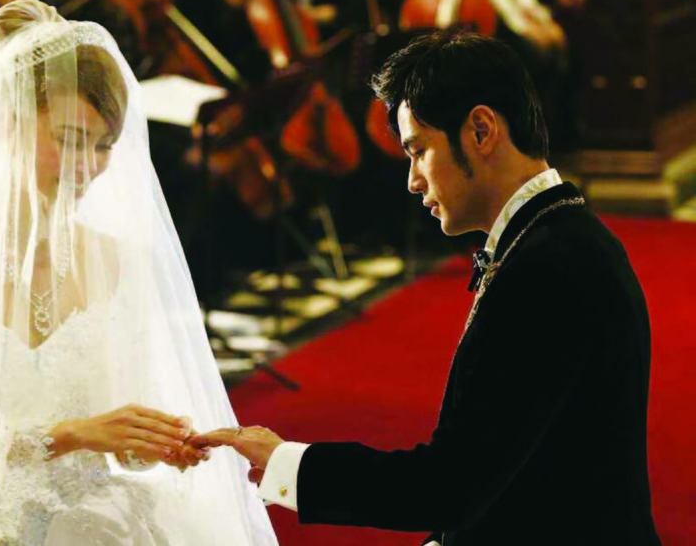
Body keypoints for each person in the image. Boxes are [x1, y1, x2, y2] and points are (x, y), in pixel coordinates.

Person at [0, 0, 277, 546]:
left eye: (104, 145)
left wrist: (152, 442)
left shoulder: (118, 263)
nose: (86, 166)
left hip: (99, 519)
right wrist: (72, 435)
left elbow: (124, 429)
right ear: (7, 122)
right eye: (69, 138)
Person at [194, 29, 662, 546]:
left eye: (418, 151)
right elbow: (512, 466)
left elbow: (451, 484)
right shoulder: (555, 238)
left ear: (481, 130)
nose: (413, 180)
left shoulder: (550, 267)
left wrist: (287, 463)